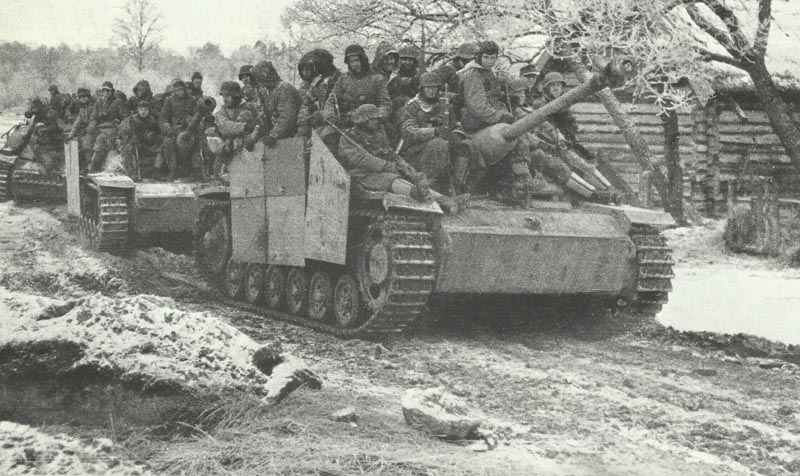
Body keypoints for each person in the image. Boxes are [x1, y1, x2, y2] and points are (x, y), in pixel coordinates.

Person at [339, 104, 466, 213]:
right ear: (363, 120)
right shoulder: (348, 138)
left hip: (378, 173)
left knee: (410, 179)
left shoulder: (377, 136)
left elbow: (391, 154)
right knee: (393, 179)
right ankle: (426, 196)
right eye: (373, 119)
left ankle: (443, 199)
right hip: (360, 176)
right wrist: (386, 166)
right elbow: (362, 159)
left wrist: (409, 170)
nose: (377, 122)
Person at [458, 40, 537, 204]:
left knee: (521, 138)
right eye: (486, 57)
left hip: (489, 122)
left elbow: (493, 95)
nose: (490, 61)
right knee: (517, 138)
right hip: (476, 124)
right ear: (479, 57)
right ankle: (520, 182)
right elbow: (477, 106)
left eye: (493, 58)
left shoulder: (488, 73)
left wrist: (507, 88)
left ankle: (516, 185)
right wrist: (499, 116)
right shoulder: (472, 74)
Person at [399, 72, 471, 193]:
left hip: (440, 147)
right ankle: (431, 185)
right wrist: (435, 131)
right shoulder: (412, 107)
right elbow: (409, 132)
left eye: (435, 88)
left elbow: (455, 124)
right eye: (429, 88)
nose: (432, 91)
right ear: (422, 89)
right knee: (438, 144)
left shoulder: (444, 105)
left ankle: (457, 186)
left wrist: (457, 134)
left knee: (466, 146)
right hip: (414, 152)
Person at [322, 44, 391, 154]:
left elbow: (385, 104)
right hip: (347, 122)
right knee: (326, 135)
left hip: (370, 124)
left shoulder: (377, 79)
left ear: (363, 60)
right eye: (351, 61)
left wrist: (376, 117)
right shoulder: (343, 80)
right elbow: (331, 100)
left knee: (381, 146)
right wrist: (330, 115)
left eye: (357, 60)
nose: (354, 64)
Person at [214, 81, 258, 180]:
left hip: (251, 147)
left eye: (228, 96)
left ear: (236, 96)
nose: (225, 99)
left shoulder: (251, 107)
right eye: (223, 96)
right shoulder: (221, 113)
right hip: (231, 149)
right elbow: (225, 127)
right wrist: (245, 126)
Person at [251, 61, 300, 147]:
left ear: (265, 76)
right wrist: (252, 139)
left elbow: (287, 117)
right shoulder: (269, 91)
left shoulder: (284, 89)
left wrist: (274, 135)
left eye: (259, 78)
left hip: (291, 136)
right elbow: (264, 118)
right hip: (278, 135)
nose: (258, 82)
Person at [159, 79, 200, 179]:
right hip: (174, 130)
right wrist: (168, 129)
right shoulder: (169, 101)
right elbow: (163, 118)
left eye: (182, 90)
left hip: (189, 129)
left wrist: (191, 124)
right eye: (177, 90)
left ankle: (197, 170)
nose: (180, 92)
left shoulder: (192, 100)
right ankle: (173, 169)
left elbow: (197, 116)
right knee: (168, 142)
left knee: (197, 142)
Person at [86, 81, 126, 173]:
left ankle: (95, 165)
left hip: (111, 128)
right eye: (104, 91)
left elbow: (124, 117)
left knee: (101, 139)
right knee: (88, 139)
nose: (106, 93)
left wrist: (120, 127)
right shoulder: (99, 102)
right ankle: (87, 163)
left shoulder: (117, 102)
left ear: (112, 92)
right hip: (99, 127)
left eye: (108, 91)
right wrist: (92, 126)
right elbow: (93, 117)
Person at [118, 100, 161, 179]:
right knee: (128, 149)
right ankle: (131, 173)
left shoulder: (153, 121)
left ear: (149, 110)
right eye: (141, 110)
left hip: (148, 144)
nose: (143, 112)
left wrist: (151, 137)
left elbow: (156, 134)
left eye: (145, 110)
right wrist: (129, 138)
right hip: (134, 143)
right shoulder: (131, 119)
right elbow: (123, 132)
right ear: (138, 110)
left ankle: (156, 172)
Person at [65, 88, 95, 170]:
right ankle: (76, 167)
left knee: (86, 142)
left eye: (85, 96)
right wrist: (70, 135)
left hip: (94, 130)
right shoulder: (82, 110)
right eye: (81, 97)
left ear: (88, 97)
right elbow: (77, 124)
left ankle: (89, 167)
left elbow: (94, 120)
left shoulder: (94, 107)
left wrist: (88, 129)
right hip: (85, 130)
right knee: (75, 141)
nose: (83, 98)